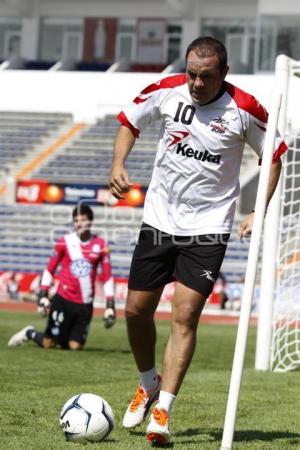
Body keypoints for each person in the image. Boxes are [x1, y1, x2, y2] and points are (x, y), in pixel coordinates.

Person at [108, 36, 287, 445]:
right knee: (135, 311)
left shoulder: (245, 108)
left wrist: (257, 210)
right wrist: (118, 163)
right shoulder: (166, 90)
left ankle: (163, 413)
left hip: (208, 228)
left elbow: (275, 154)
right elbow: (129, 121)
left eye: (206, 76)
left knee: (184, 317)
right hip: (158, 219)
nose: (196, 83)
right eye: (191, 73)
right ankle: (147, 382)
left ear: (223, 73)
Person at [8, 203, 116, 350]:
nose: (79, 224)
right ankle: (29, 332)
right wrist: (43, 295)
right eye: (76, 221)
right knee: (49, 343)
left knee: (75, 346)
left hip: (85, 303)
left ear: (91, 221)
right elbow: (49, 269)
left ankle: (62, 339)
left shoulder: (101, 245)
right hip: (63, 299)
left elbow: (107, 276)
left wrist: (110, 305)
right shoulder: (64, 242)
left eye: (83, 220)